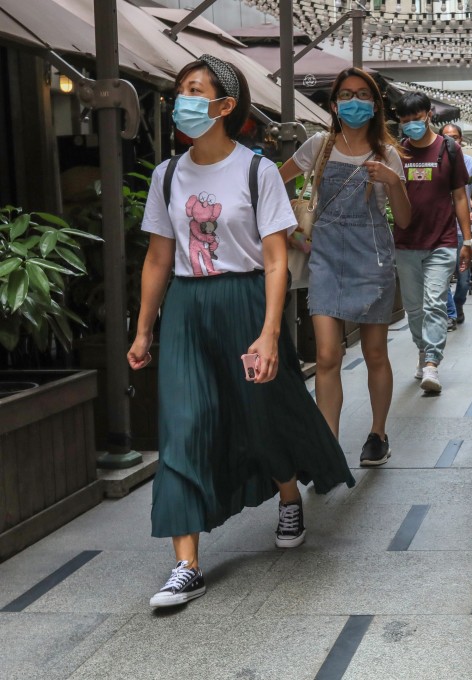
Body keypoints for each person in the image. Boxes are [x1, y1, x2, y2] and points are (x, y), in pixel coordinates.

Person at [127, 56, 355, 608]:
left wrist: (270, 332)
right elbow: (158, 259)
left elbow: (276, 260)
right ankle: (186, 565)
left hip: (245, 299)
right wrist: (143, 332)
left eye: (196, 90)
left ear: (225, 106)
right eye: (181, 89)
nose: (184, 98)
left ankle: (286, 492)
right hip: (186, 306)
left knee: (260, 410)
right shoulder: (167, 175)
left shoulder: (256, 172)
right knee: (182, 424)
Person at [279, 68, 410, 468]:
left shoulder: (387, 153)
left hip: (372, 258)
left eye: (363, 95)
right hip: (326, 257)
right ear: (334, 104)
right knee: (327, 355)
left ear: (375, 104)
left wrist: (393, 182)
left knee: (374, 352)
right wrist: (289, 229)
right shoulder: (319, 146)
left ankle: (378, 434)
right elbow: (270, 184)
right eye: (346, 95)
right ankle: (328, 446)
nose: (354, 102)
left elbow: (403, 220)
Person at [393, 92, 472, 394]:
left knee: (435, 303)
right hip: (405, 242)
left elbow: (459, 196)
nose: (412, 124)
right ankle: (422, 350)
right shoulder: (397, 153)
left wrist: (468, 239)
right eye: (405, 120)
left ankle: (432, 364)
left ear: (428, 114)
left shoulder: (448, 149)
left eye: (416, 117)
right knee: (414, 308)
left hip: (442, 240)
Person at [441, 123, 472, 329]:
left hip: (461, 229)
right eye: (447, 136)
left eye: (455, 137)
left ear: (461, 140)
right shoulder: (434, 161)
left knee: (464, 277)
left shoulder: (471, 163)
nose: (451, 140)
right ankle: (450, 312)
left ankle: (458, 305)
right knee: (441, 274)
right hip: (439, 229)